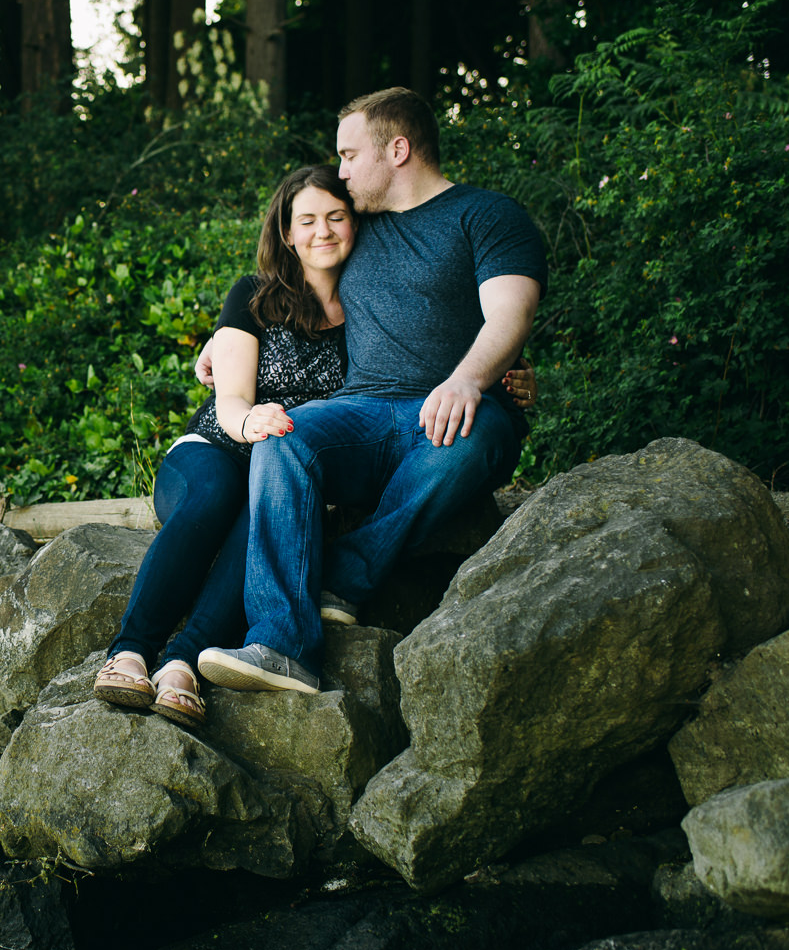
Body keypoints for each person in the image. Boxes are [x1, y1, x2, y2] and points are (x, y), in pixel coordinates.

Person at [92, 163, 538, 727]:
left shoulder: (370, 312)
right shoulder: (253, 297)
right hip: (218, 448)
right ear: (285, 232)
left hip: (284, 468)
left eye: (336, 217)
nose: (322, 231)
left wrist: (510, 372)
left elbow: (431, 347)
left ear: (357, 225)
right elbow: (229, 400)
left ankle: (182, 664)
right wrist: (249, 419)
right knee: (219, 500)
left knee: (258, 518)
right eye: (307, 220)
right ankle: (130, 651)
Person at [195, 87, 547, 696]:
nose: (341, 170)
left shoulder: (487, 216)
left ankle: (345, 576)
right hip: (360, 411)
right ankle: (282, 646)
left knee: (470, 436)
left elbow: (509, 316)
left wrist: (469, 379)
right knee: (284, 436)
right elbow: (287, 276)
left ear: (399, 149)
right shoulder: (355, 227)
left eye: (350, 154)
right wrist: (227, 336)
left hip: (453, 409)